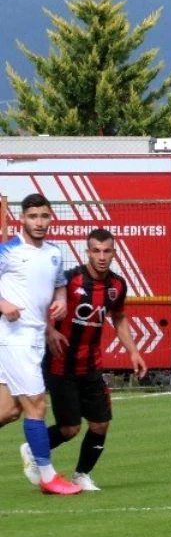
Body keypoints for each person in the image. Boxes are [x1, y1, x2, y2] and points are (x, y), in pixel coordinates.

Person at [21, 228, 149, 492]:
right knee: (69, 429)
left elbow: (119, 318)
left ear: (114, 253)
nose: (102, 257)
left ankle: (81, 474)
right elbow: (41, 306)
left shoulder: (117, 286)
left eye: (107, 251)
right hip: (61, 364)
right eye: (96, 251)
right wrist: (51, 329)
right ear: (87, 252)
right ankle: (34, 449)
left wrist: (133, 351)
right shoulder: (68, 281)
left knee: (101, 423)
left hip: (92, 364)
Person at [0, 194, 76, 495]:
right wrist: (3, 303)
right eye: (33, 217)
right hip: (12, 337)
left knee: (7, 411)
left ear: (50, 218)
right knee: (37, 404)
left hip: (35, 338)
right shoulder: (8, 252)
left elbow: (59, 286)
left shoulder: (55, 253)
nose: (39, 222)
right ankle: (47, 476)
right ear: (23, 219)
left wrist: (60, 302)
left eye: (44, 216)